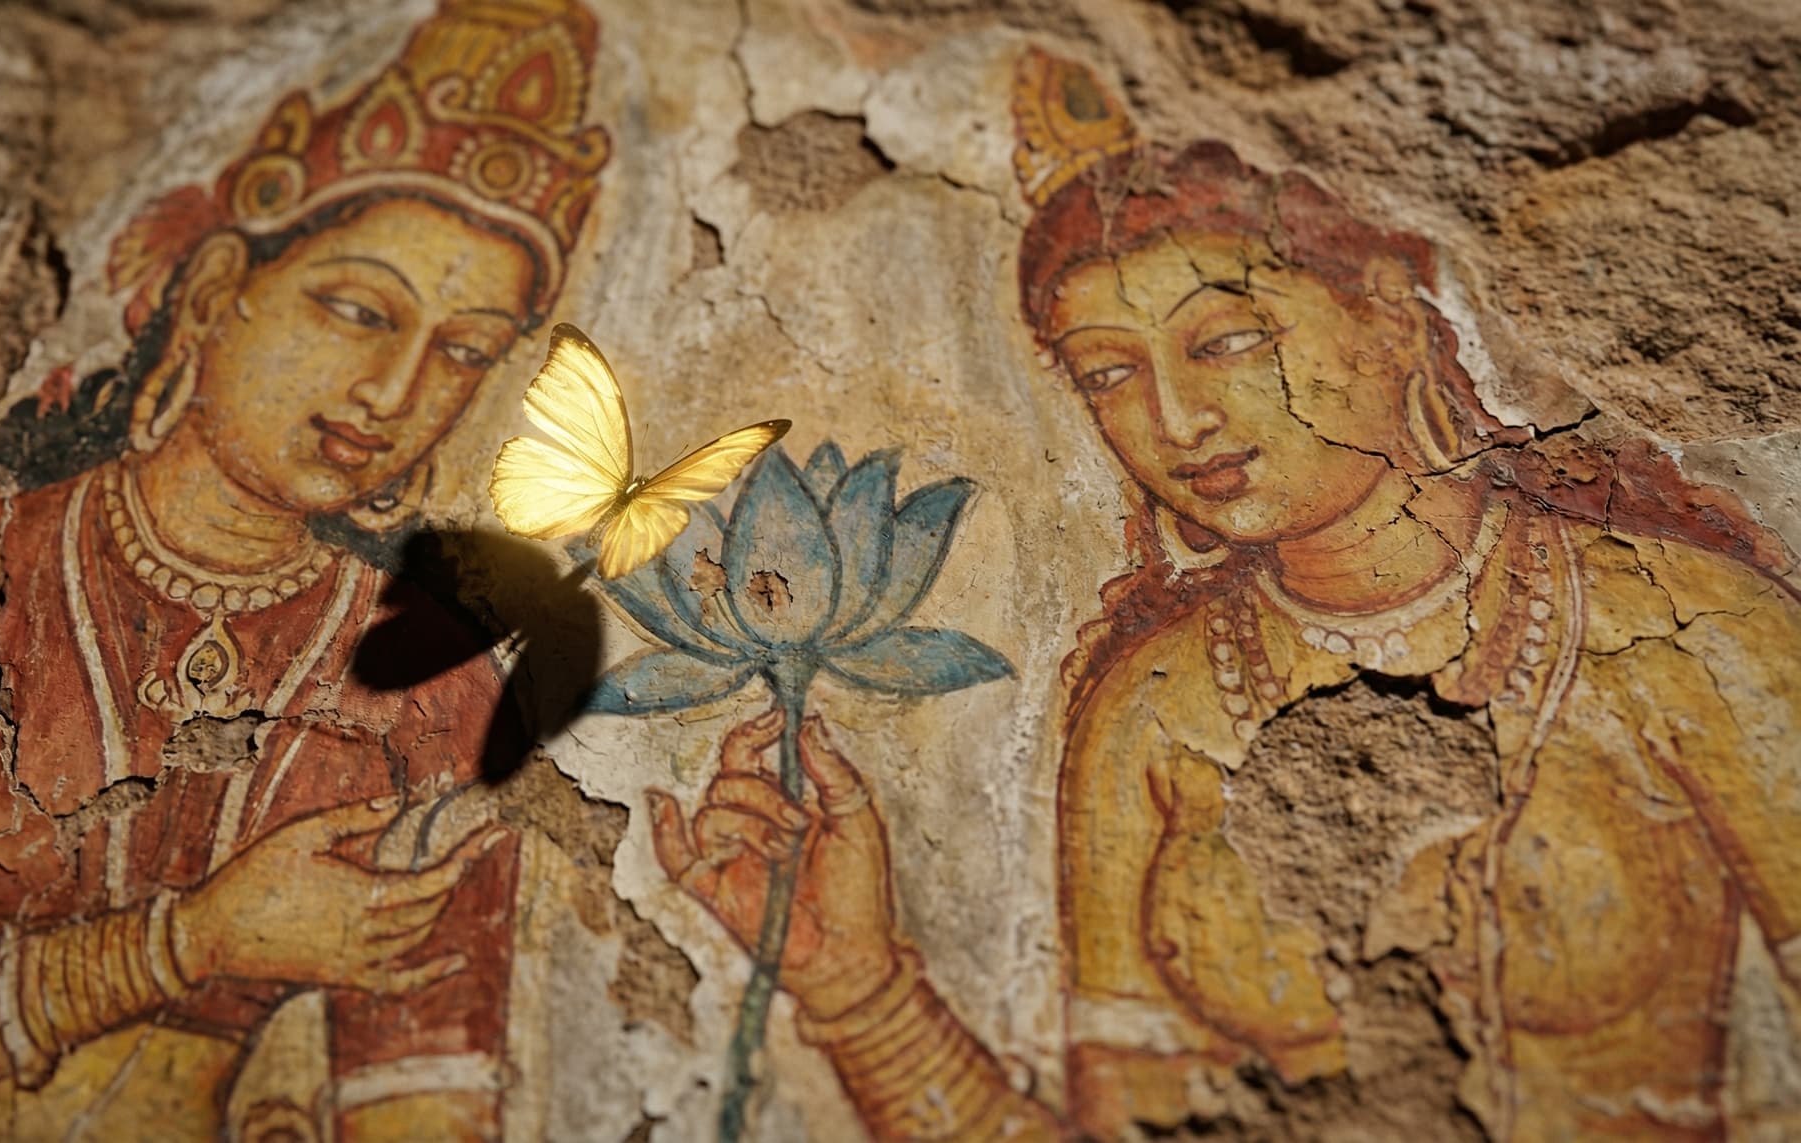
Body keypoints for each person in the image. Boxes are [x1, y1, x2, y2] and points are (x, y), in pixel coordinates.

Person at [649, 50, 1801, 1141]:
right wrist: (859, 991)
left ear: (1387, 312)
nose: (1175, 419)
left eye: (1228, 341)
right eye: (1108, 371)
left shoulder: (1679, 628)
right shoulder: (1152, 705)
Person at [0, 1, 611, 1138]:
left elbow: (423, 1112)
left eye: (460, 350)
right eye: (357, 310)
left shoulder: (441, 688)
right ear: (214, 294)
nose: (392, 393)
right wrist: (181, 945)